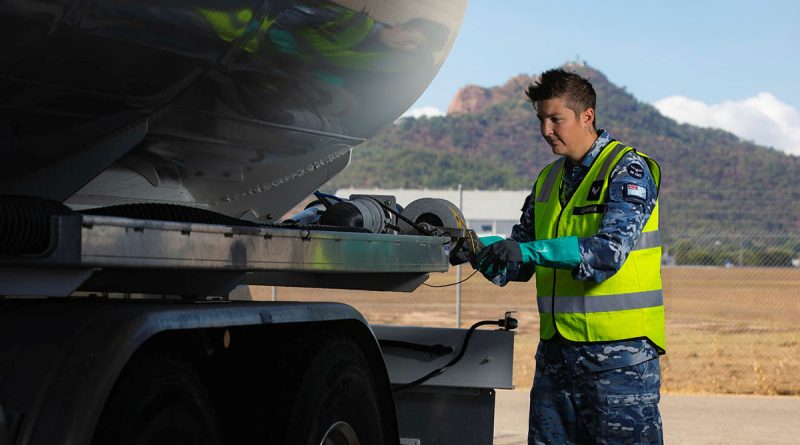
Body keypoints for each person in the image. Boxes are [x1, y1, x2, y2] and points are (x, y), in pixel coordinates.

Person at [468, 68, 666, 444]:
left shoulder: (628, 170)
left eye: (555, 119)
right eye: (541, 119)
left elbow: (609, 252)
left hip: (619, 361)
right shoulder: (547, 180)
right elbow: (520, 258)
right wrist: (473, 249)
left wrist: (527, 250)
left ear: (586, 116)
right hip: (557, 359)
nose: (546, 130)